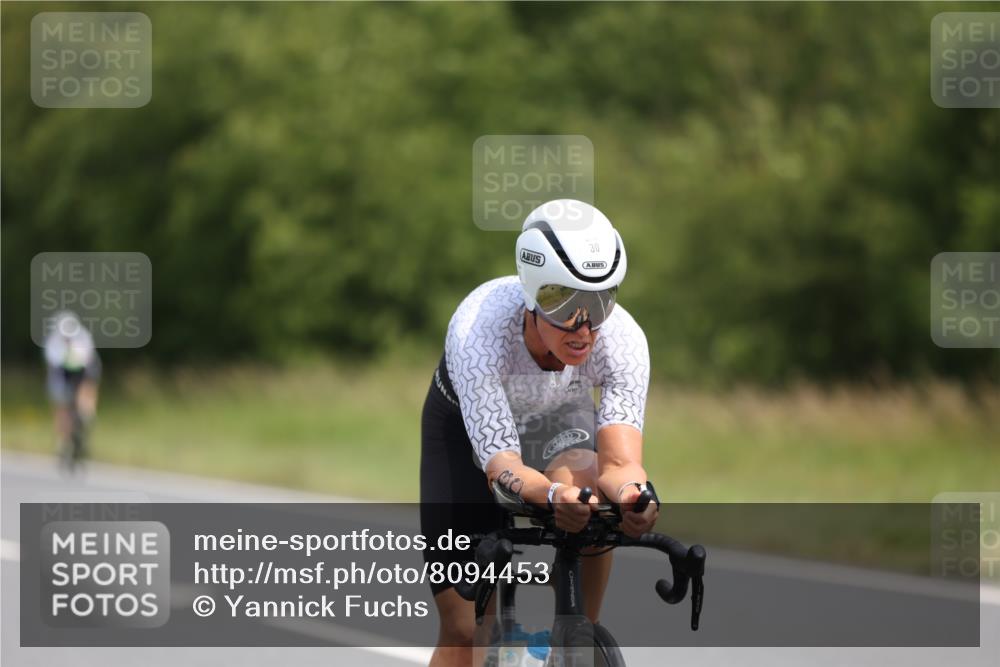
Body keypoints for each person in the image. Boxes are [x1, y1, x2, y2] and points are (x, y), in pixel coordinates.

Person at [420, 199, 659, 666]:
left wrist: (635, 495)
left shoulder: (623, 339)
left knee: (592, 496)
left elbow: (620, 463)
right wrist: (551, 496)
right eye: (563, 303)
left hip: (556, 415)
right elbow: (502, 466)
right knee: (465, 631)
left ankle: (573, 639)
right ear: (532, 295)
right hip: (466, 433)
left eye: (599, 302)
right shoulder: (479, 330)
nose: (584, 327)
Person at [43, 310, 101, 470]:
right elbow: (55, 368)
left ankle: (85, 416)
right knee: (61, 406)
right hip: (62, 373)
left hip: (84, 370)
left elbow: (89, 369)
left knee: (86, 396)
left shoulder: (83, 337)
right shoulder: (53, 342)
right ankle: (63, 442)